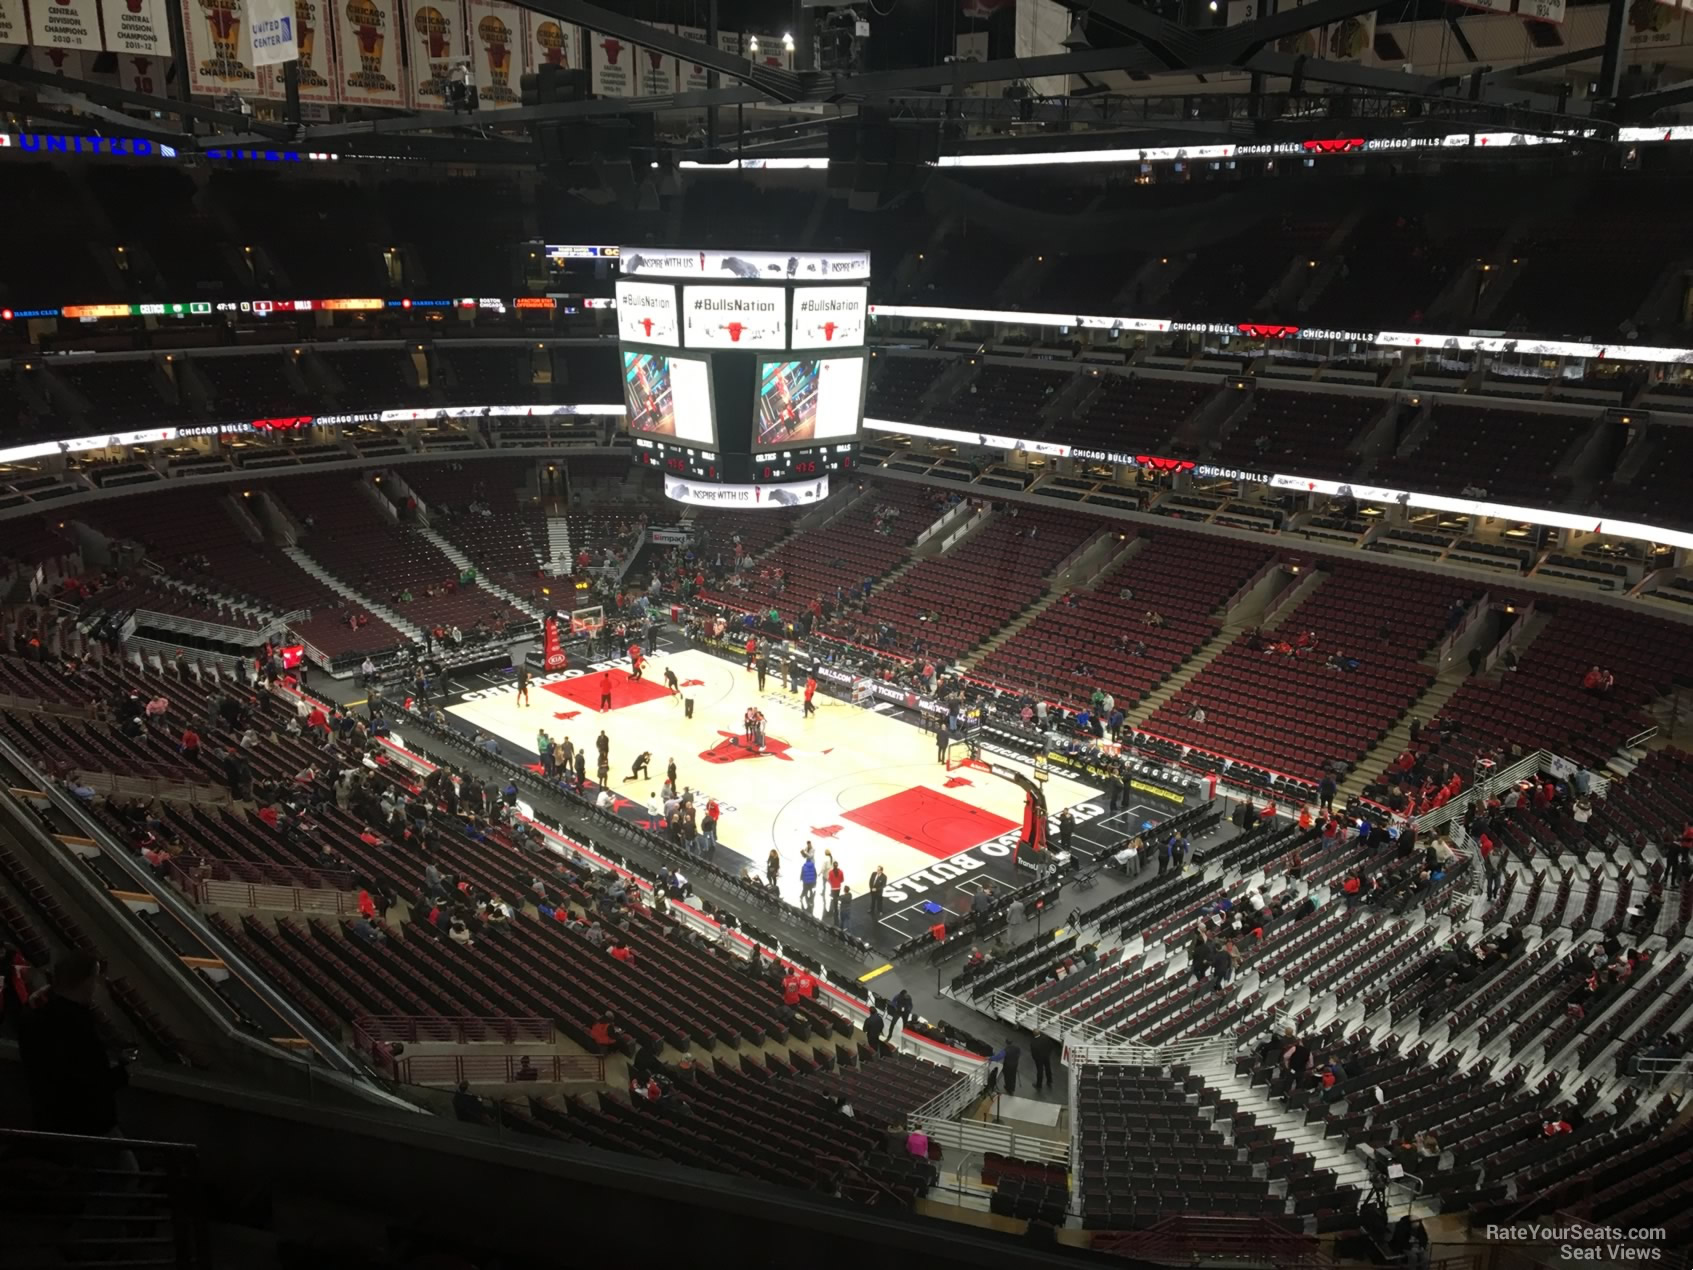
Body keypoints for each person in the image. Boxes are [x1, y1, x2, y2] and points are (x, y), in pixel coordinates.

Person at [18, 952, 131, 1141]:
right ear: (86, 982)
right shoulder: (77, 1024)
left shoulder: (35, 1016)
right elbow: (89, 1082)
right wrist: (124, 1072)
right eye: (94, 979)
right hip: (87, 1127)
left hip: (49, 1121)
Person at [799, 847, 819, 912]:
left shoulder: (804, 867)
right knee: (810, 889)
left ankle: (803, 897)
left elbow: (802, 873)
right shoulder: (813, 867)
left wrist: (801, 878)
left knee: (805, 890)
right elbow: (815, 874)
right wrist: (815, 880)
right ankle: (810, 900)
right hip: (812, 881)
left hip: (806, 881)